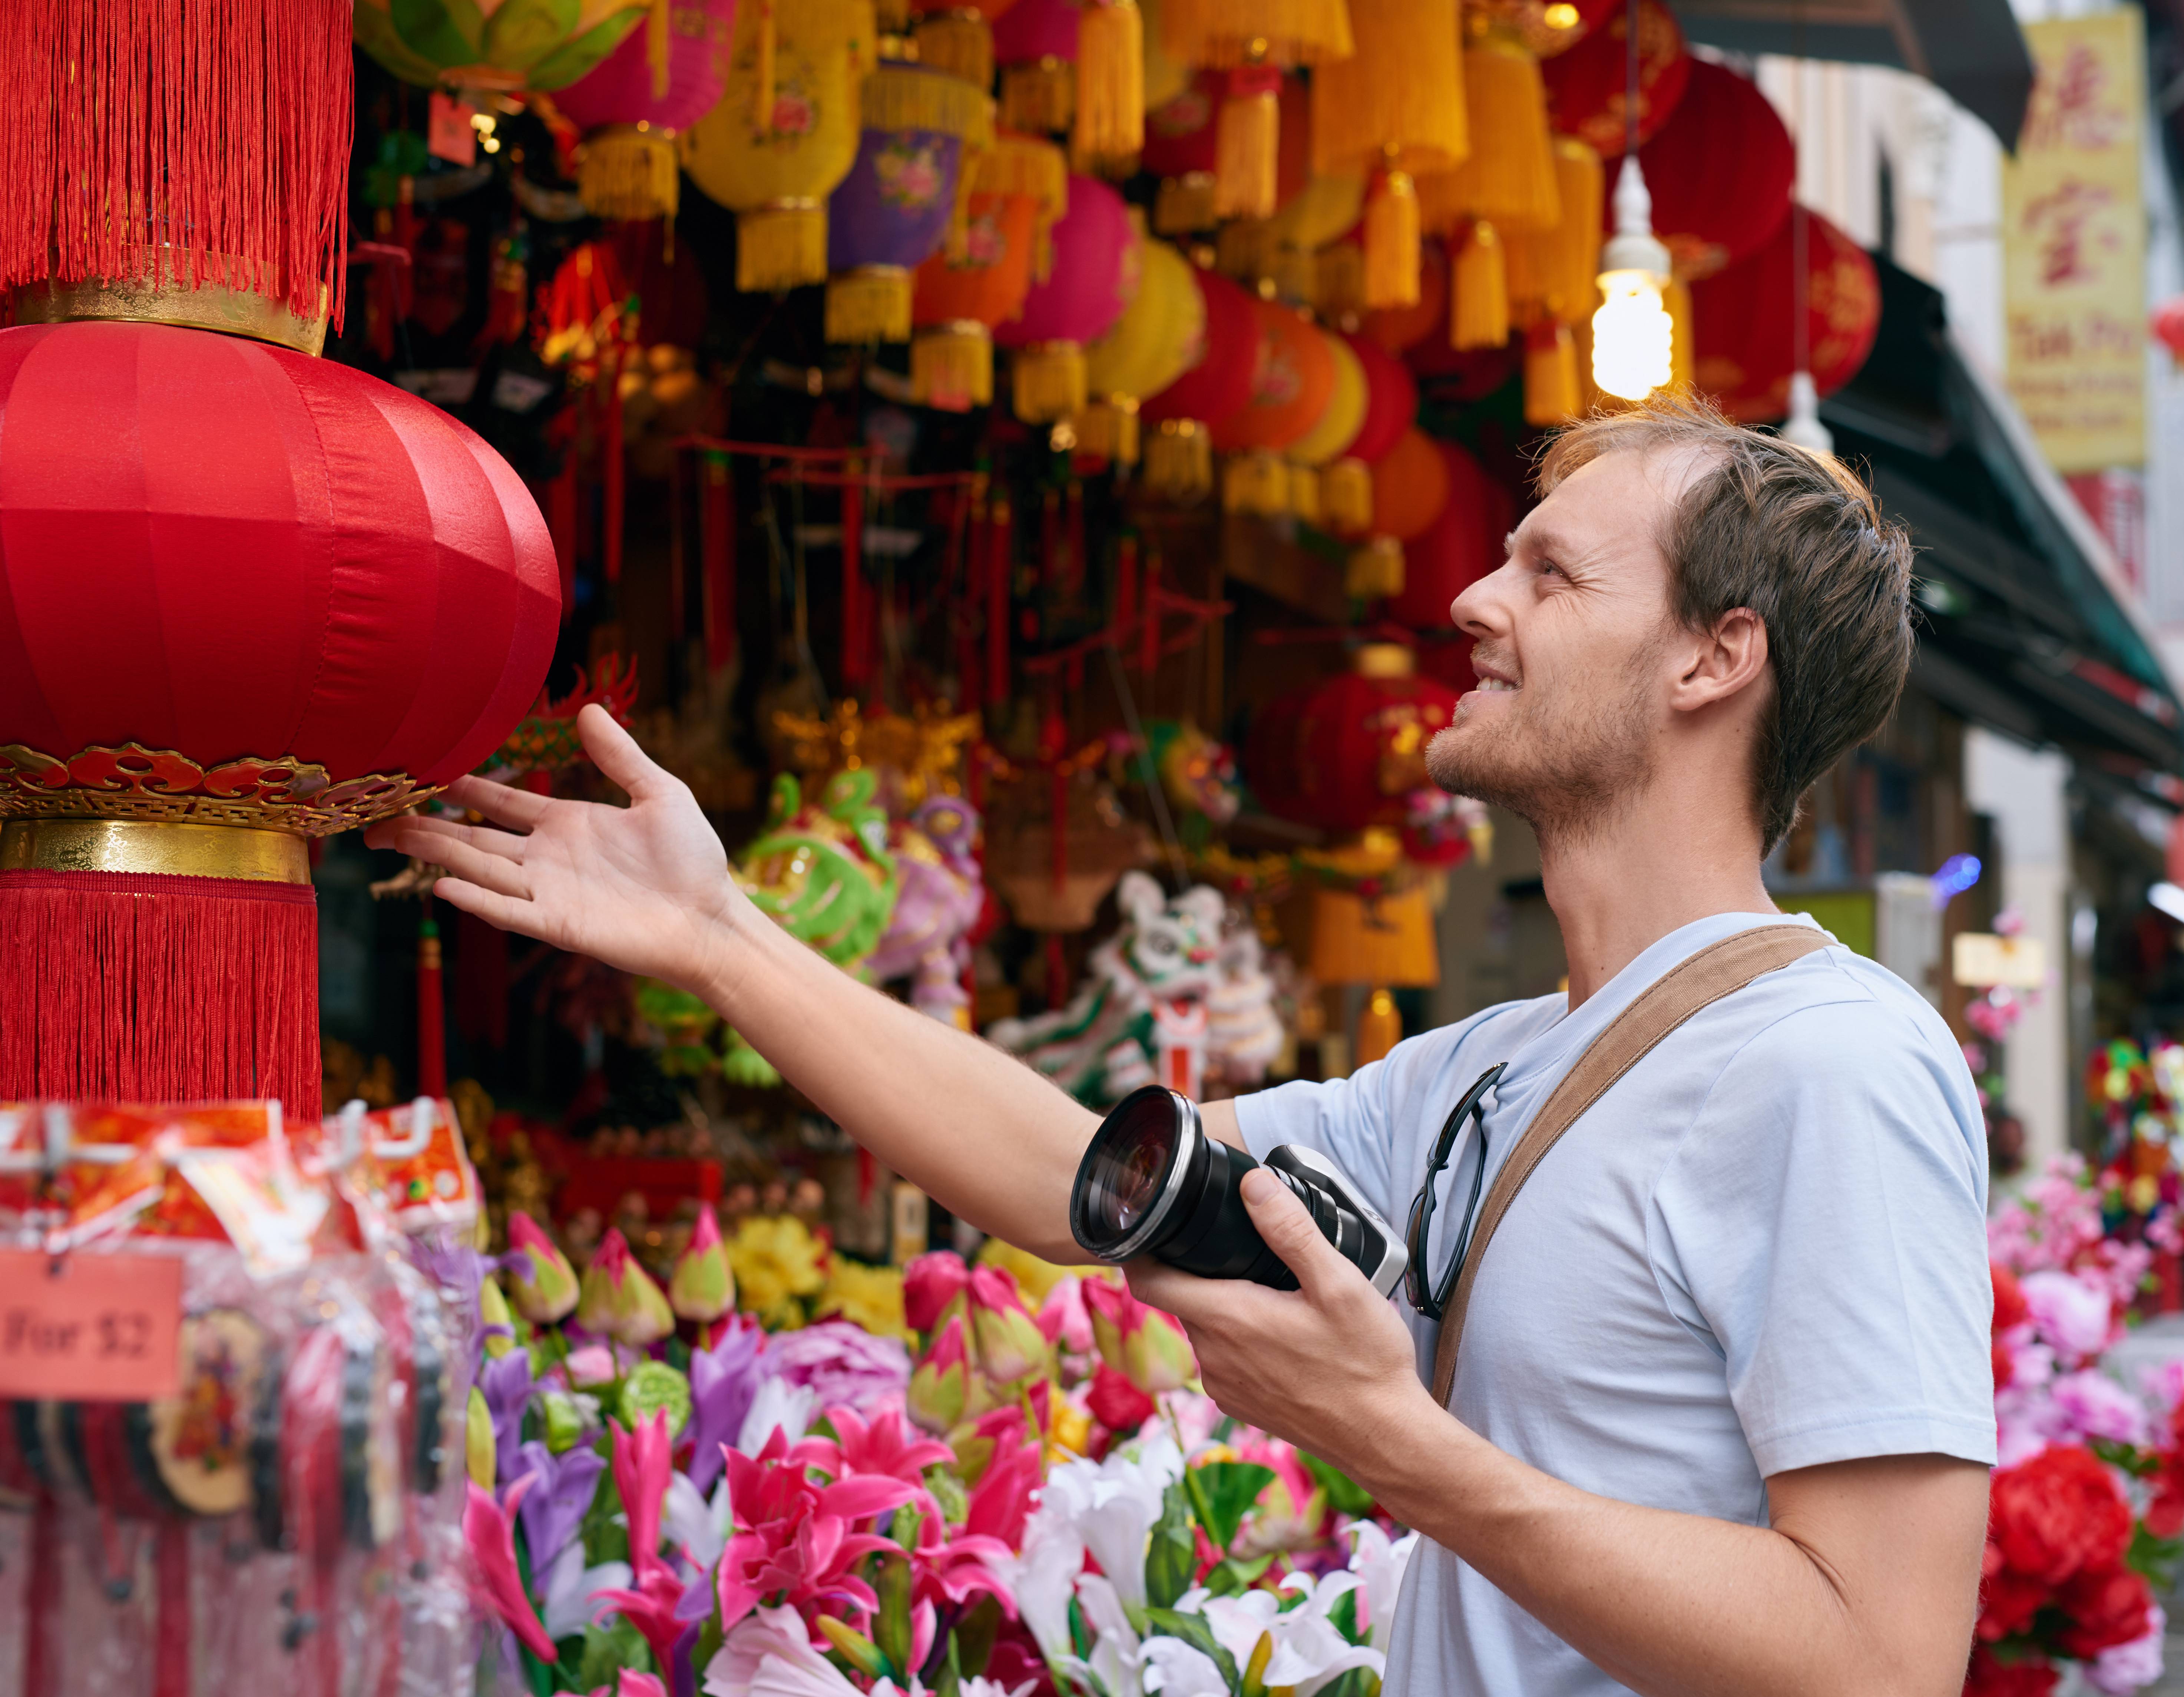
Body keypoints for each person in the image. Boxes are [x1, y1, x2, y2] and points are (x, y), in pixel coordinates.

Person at [371, 398, 1995, 1697]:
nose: (1473, 601)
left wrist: (1401, 1449)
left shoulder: (1830, 1061)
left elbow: (1883, 1655)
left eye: (1553, 575)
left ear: (1716, 656)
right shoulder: (1483, 1070)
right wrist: (718, 936)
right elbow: (1075, 1175)